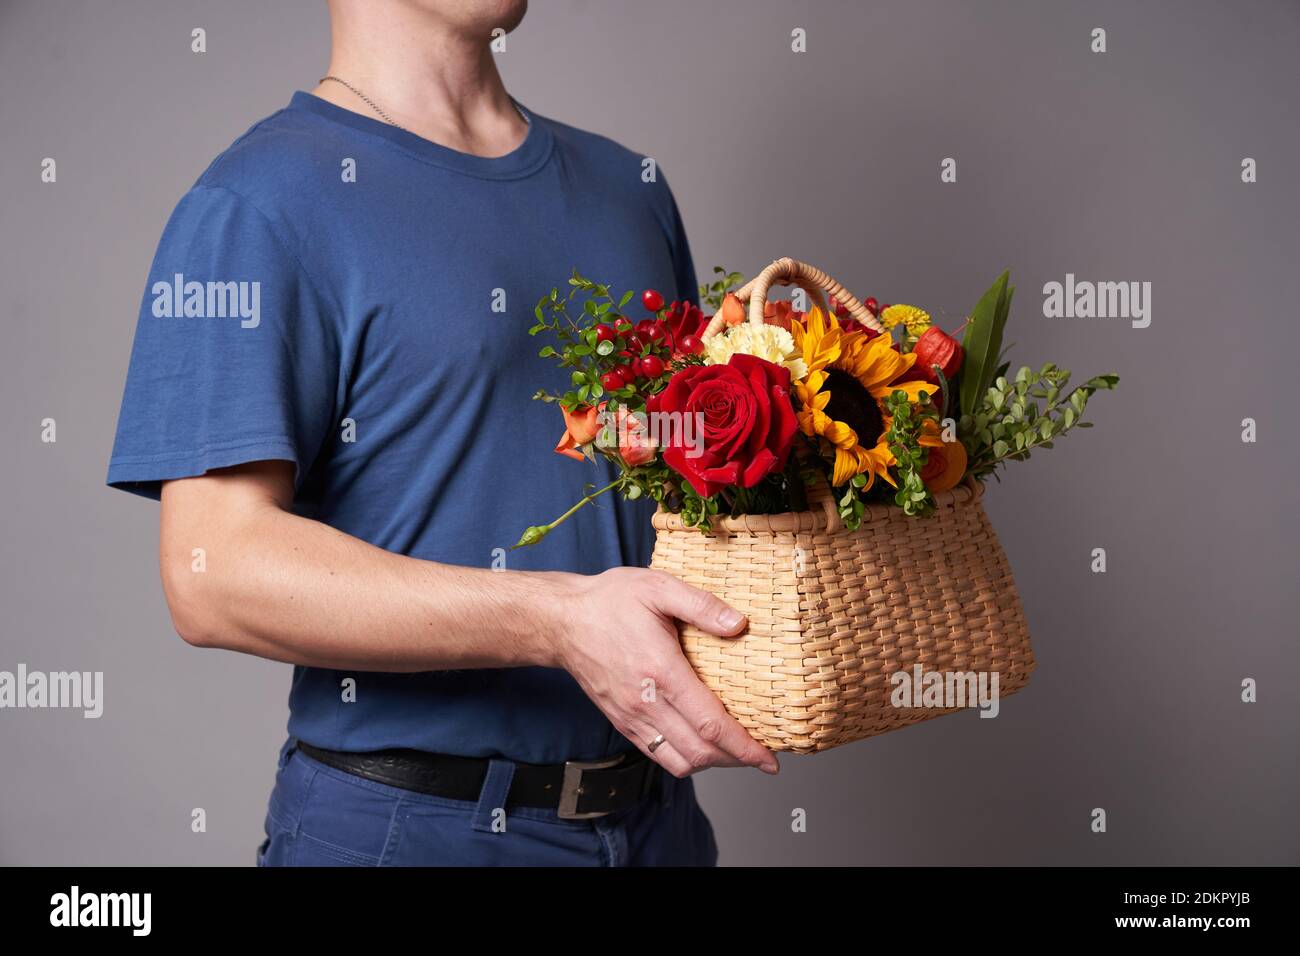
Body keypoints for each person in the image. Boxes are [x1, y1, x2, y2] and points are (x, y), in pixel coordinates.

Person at [106, 0, 778, 867]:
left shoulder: (627, 186)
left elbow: (694, 491)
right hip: (413, 829)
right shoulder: (255, 202)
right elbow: (213, 574)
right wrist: (556, 621)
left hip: (659, 821)